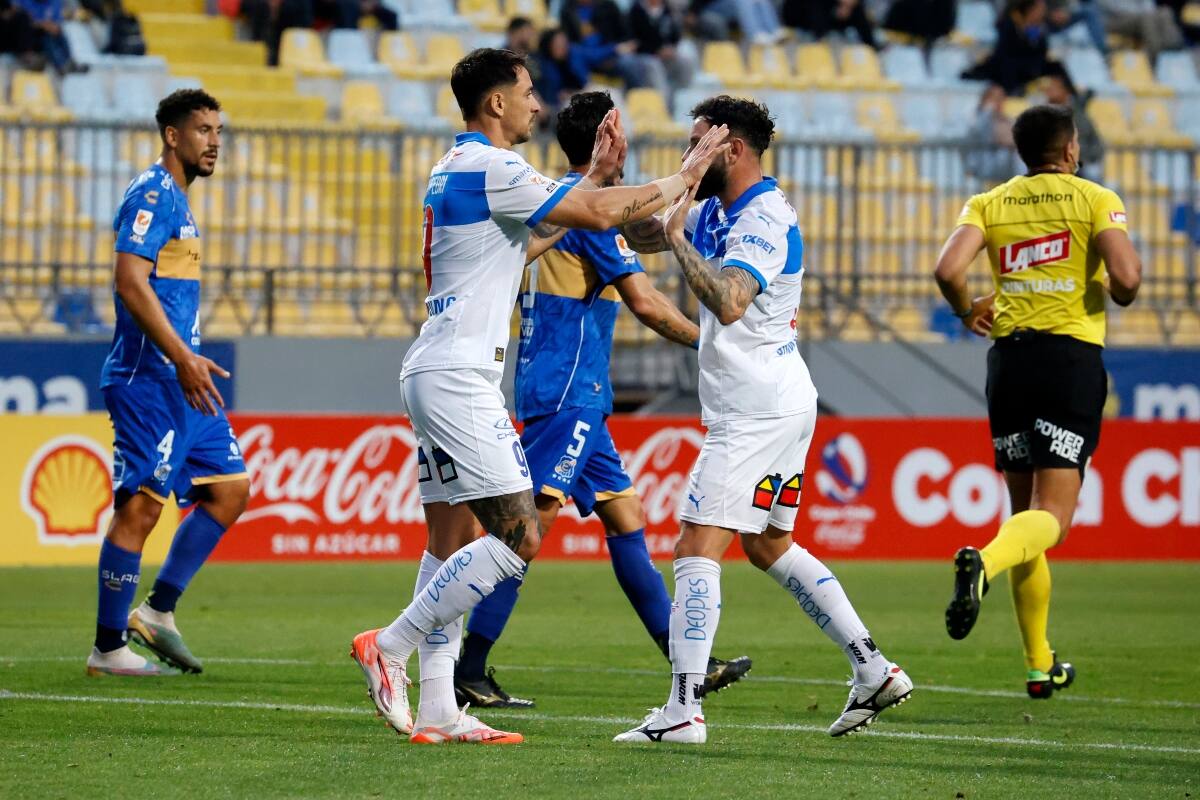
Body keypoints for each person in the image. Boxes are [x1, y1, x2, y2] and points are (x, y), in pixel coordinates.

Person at [349, 47, 731, 746]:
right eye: (526, 92)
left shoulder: (457, 168)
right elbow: (592, 214)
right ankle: (391, 644)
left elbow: (531, 239)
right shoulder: (494, 168)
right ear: (495, 103)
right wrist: (685, 175)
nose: (536, 105)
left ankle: (438, 706)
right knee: (519, 536)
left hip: (438, 367)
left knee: (448, 543)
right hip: (461, 376)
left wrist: (588, 178)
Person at [612, 95, 914, 744]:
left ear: (736, 149)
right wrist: (673, 191)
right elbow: (637, 236)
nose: (688, 150)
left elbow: (728, 301)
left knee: (696, 545)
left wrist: (673, 234)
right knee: (767, 544)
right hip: (774, 399)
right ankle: (873, 669)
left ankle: (684, 709)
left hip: (754, 411)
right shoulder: (719, 207)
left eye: (700, 143)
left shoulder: (764, 219)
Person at [452, 91, 751, 710]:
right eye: (623, 127)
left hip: (570, 390)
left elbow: (638, 251)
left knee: (626, 520)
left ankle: (688, 663)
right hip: (569, 394)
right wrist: (717, 343)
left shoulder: (558, 204)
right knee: (525, 531)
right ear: (607, 136)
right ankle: (465, 664)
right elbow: (646, 303)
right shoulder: (590, 218)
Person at [934, 104, 1141, 698]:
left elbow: (948, 268)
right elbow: (1127, 280)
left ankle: (1039, 662)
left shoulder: (990, 202)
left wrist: (966, 308)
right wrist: (1102, 283)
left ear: (1023, 152)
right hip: (1068, 361)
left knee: (1025, 514)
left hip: (1010, 364)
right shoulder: (1094, 198)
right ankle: (983, 564)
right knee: (1053, 517)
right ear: (1071, 147)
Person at [87, 90, 251, 677]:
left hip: (185, 377)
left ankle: (157, 612)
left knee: (230, 490)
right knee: (140, 510)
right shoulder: (152, 194)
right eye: (202, 130)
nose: (213, 141)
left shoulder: (180, 201)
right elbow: (130, 281)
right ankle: (108, 647)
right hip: (150, 378)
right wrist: (182, 356)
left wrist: (189, 360)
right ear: (172, 135)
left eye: (218, 130)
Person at [962, 0, 1065, 96]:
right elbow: (1006, 54)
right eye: (1040, 9)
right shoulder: (1010, 25)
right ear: (1030, 9)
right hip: (1010, 70)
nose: (1043, 12)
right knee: (1008, 66)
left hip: (1031, 70)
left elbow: (1042, 53)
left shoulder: (1041, 28)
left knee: (1056, 66)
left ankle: (1074, 98)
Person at [1041, 73, 1103, 182]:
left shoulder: (1078, 113)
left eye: (1053, 88)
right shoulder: (1041, 114)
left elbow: (1095, 141)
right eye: (1048, 89)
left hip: (1080, 162)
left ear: (1065, 90)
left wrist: (1086, 158)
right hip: (1051, 164)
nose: (1048, 91)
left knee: (1093, 175)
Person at [629, 0, 697, 95]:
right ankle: (664, 102)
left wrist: (671, 48)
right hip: (644, 55)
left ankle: (683, 95)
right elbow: (633, 41)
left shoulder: (667, 9)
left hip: (665, 53)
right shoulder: (636, 11)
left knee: (685, 61)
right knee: (655, 66)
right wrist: (656, 50)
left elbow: (675, 35)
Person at [965, 83, 1022, 182]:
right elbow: (976, 134)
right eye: (995, 98)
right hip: (983, 166)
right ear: (985, 100)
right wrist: (987, 110)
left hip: (1008, 168)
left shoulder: (1008, 119)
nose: (999, 102)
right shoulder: (975, 118)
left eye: (1001, 98)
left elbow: (1013, 138)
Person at [1097, 0, 1183, 58]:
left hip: (1138, 17)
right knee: (1147, 19)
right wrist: (1142, 13)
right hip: (1112, 20)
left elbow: (1149, 6)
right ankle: (1153, 59)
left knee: (1165, 12)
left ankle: (1173, 55)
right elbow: (1113, 7)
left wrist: (1147, 13)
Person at [533, 28, 590, 115]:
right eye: (558, 44)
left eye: (565, 43)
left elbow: (581, 85)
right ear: (549, 45)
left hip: (566, 106)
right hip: (547, 111)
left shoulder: (569, 60)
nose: (563, 48)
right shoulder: (542, 65)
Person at [782, 0, 881, 49]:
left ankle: (873, 47)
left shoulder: (853, 7)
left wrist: (847, 6)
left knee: (857, 9)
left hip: (829, 22)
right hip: (799, 22)